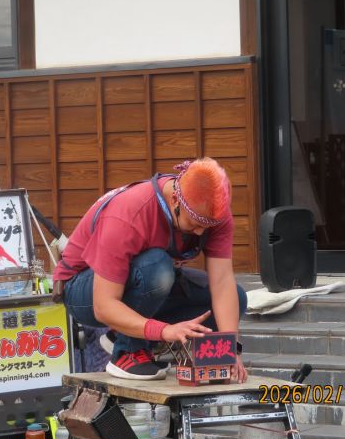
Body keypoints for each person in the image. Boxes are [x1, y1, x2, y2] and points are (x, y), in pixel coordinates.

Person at [53, 158, 248, 381]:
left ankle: (132, 337)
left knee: (236, 298)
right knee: (158, 268)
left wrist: (230, 349)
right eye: (194, 224)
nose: (200, 233)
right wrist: (164, 331)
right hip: (84, 290)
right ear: (175, 200)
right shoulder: (130, 212)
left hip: (139, 284)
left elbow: (222, 282)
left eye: (207, 226)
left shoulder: (213, 213)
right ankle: (128, 350)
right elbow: (103, 306)